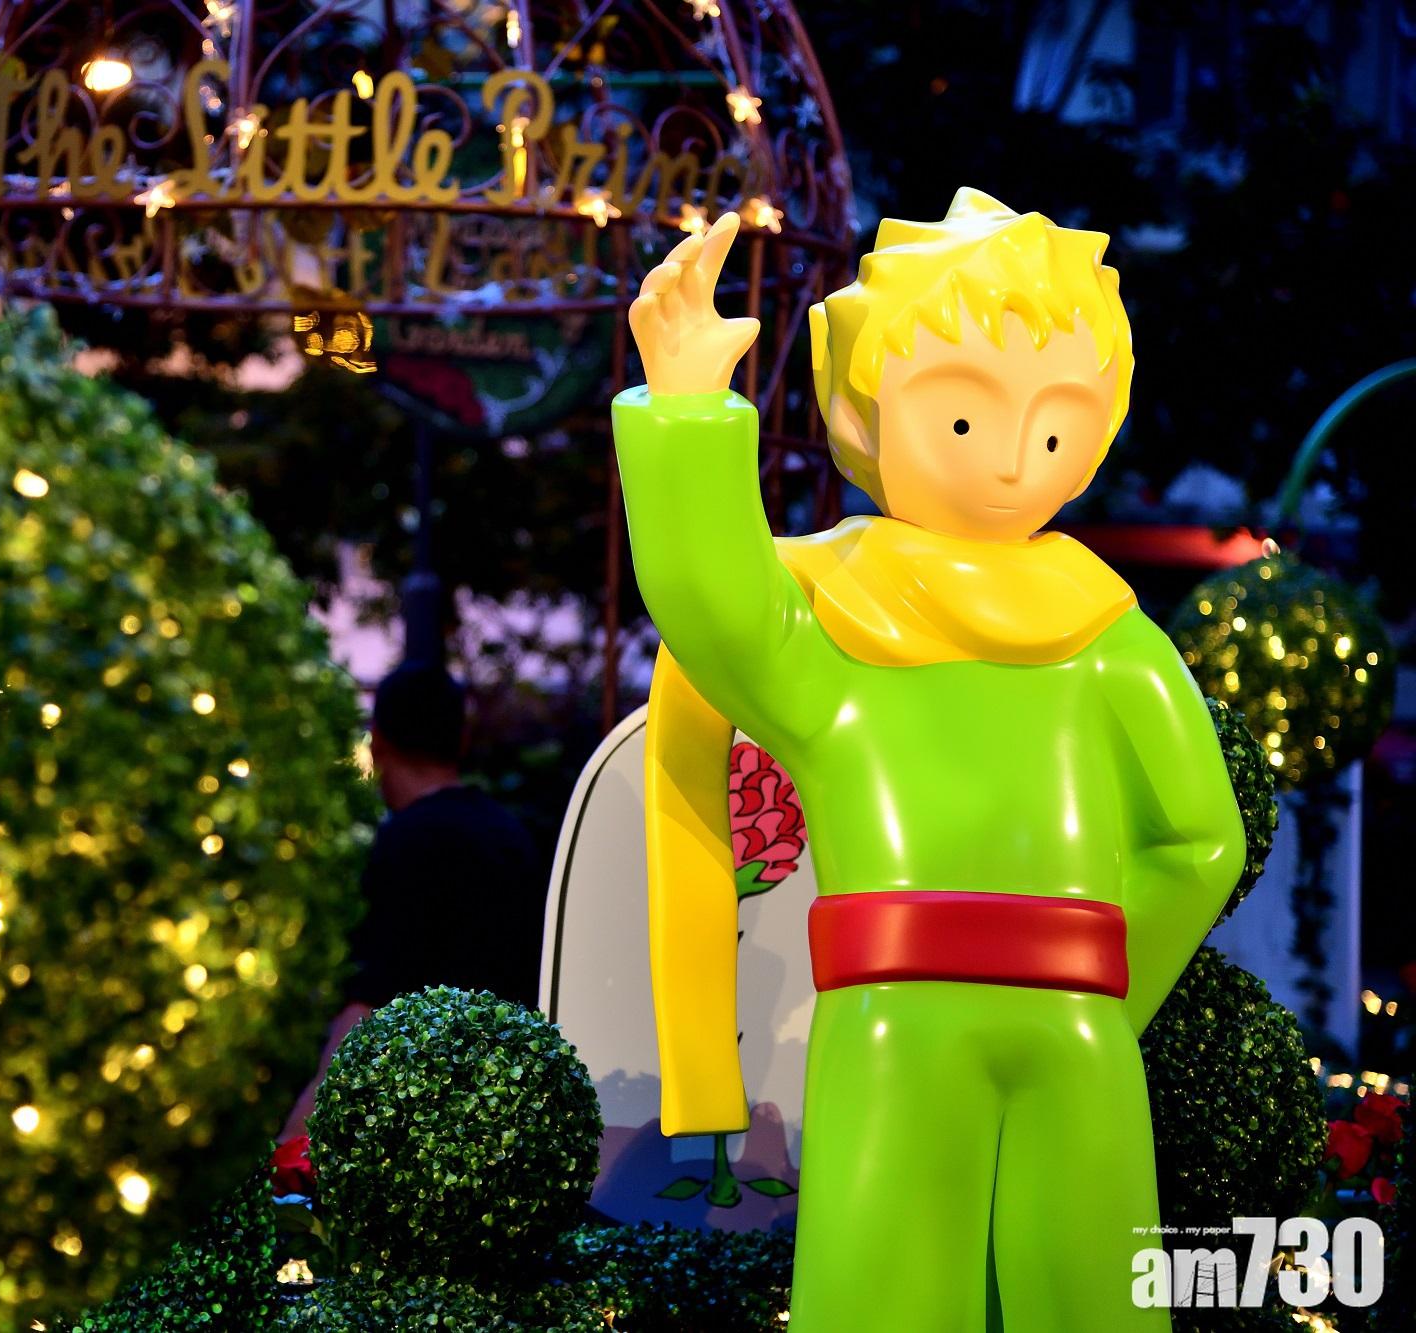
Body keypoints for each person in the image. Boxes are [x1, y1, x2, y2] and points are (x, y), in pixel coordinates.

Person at [621, 194, 1242, 1331]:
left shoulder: (1107, 631)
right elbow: (712, 604)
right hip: (917, 1021)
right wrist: (686, 407)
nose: (1008, 459)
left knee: (1077, 1297)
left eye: (1053, 428)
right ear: (862, 411)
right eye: (961, 417)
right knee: (899, 1291)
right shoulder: (832, 623)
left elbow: (1206, 840)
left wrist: (1101, 994)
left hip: (1008, 1026)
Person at [279, 663, 543, 1139]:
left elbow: (372, 997)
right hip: (513, 1110)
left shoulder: (404, 843)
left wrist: (297, 1136)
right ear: (462, 740)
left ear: (378, 741)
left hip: (420, 1124)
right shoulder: (513, 836)